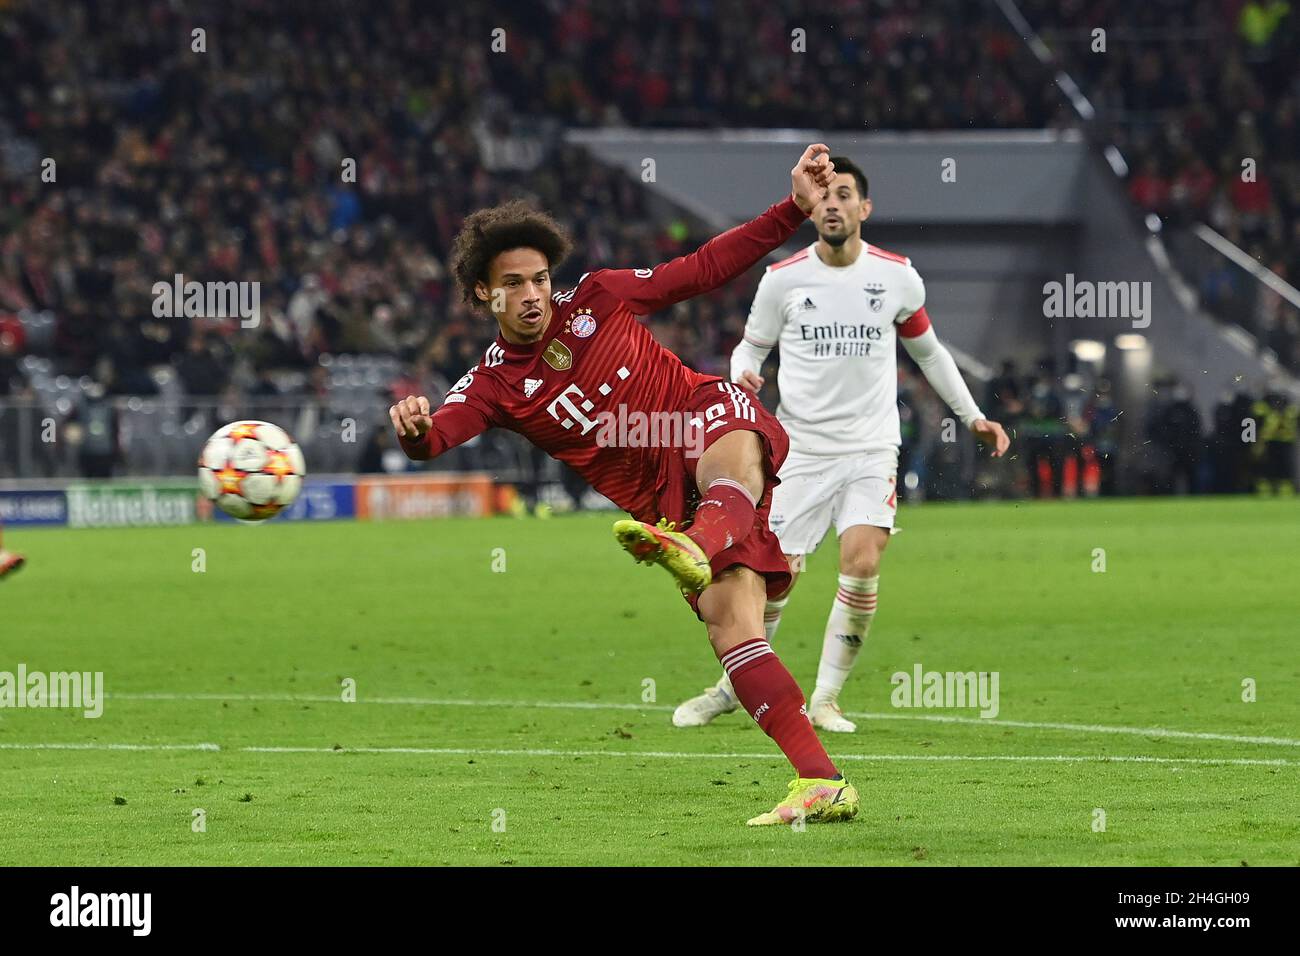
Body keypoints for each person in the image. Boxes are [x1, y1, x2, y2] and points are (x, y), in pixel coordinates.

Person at [391, 145, 857, 826]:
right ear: (481, 294)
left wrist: (793, 208)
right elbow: (436, 436)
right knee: (734, 629)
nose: (531, 295)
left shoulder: (601, 296)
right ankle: (822, 781)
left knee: (724, 456)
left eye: (540, 279)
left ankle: (696, 546)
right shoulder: (494, 385)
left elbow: (701, 269)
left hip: (705, 417)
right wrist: (412, 430)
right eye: (513, 283)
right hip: (667, 506)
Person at [671, 156, 1009, 732]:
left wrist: (972, 415)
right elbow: (750, 350)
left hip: (870, 448)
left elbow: (929, 353)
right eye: (823, 194)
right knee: (776, 577)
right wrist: (743, 375)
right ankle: (732, 686)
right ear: (813, 208)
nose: (831, 203)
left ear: (863, 208)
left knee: (862, 560)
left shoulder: (897, 276)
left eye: (843, 194)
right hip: (797, 453)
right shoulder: (783, 280)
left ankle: (825, 698)